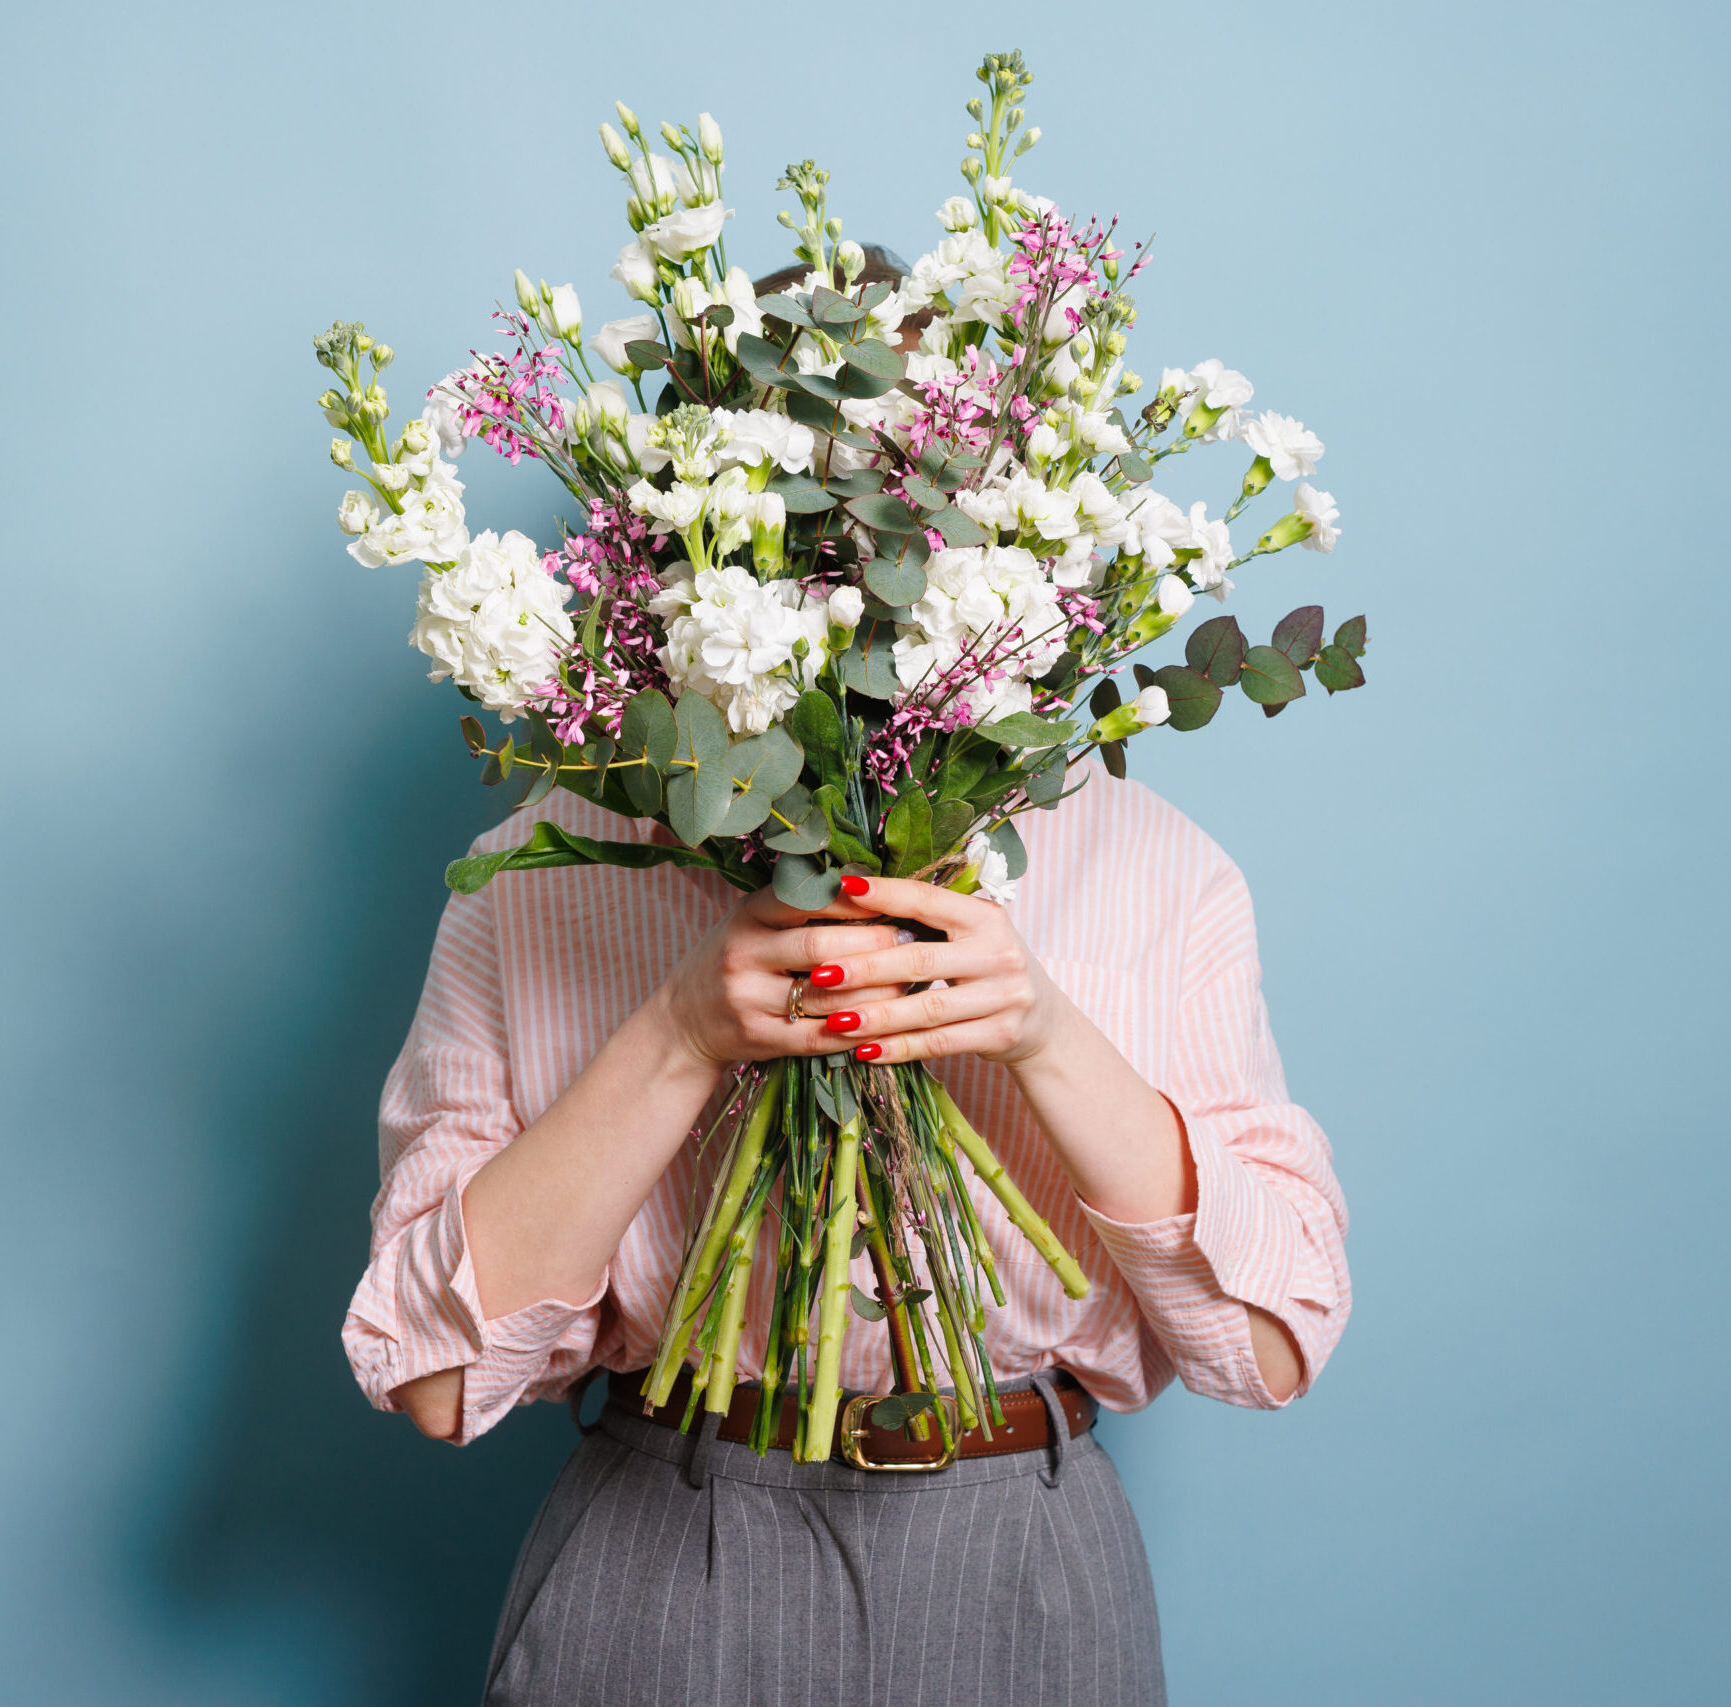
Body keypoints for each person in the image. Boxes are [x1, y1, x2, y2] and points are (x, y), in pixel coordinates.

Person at [341, 254, 1352, 1706]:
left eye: (916, 475)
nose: (866, 527)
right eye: (804, 480)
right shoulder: (546, 868)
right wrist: (685, 1027)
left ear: (1010, 494)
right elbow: (439, 1383)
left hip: (1020, 1560)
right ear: (693, 509)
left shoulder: (1152, 868)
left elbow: (1265, 1349)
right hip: (664, 1548)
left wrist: (1039, 1032)